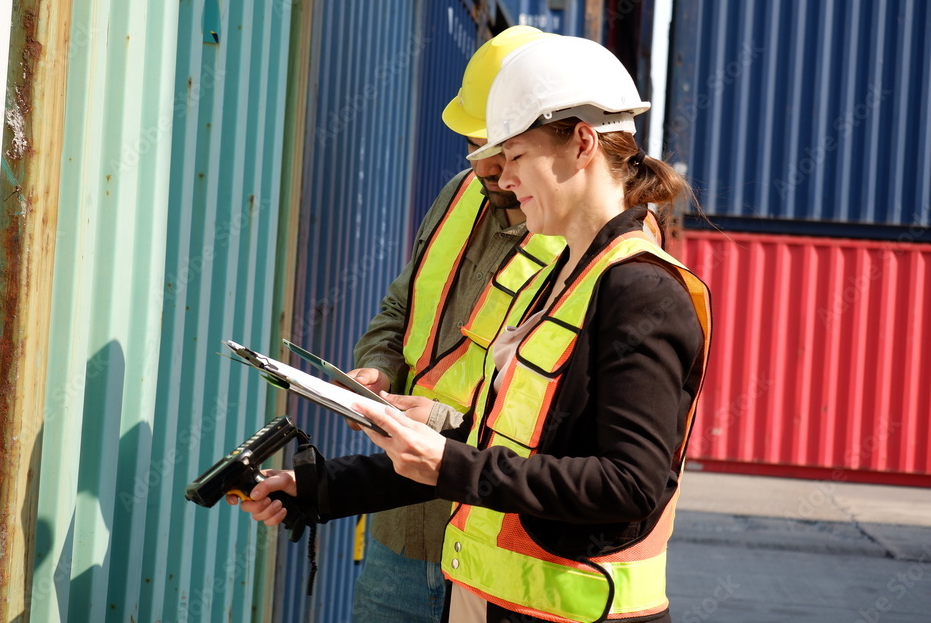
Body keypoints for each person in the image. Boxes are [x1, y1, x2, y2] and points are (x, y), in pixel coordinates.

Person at [233, 34, 711, 623]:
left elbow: (630, 485)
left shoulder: (643, 290)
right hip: (498, 603)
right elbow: (497, 448)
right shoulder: (562, 275)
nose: (500, 179)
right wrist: (316, 487)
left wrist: (445, 460)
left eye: (515, 157)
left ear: (582, 142)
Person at [344, 26, 564, 623]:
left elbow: (564, 429)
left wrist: (439, 426)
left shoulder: (590, 243)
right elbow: (401, 307)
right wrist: (378, 366)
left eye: (495, 144)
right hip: (402, 522)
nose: (485, 164)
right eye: (473, 142)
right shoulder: (459, 195)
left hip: (495, 540)